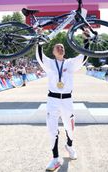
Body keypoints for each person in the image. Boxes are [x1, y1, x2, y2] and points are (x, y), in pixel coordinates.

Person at [36, 43, 88, 171]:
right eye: (57, 47)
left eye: (62, 47)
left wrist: (86, 40)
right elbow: (40, 56)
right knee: (52, 129)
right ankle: (55, 158)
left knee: (69, 127)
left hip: (67, 100)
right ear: (53, 51)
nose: (60, 47)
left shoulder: (70, 63)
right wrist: (39, 42)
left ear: (64, 51)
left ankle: (69, 146)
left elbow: (84, 56)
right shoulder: (49, 63)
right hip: (52, 99)